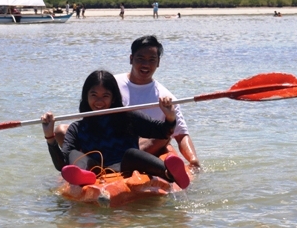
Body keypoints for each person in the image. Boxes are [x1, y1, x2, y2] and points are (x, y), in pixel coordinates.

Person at [41, 70, 190, 188]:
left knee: (133, 154)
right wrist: (50, 137)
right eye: (94, 95)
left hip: (126, 167)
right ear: (86, 97)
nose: (99, 101)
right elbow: (62, 166)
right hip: (95, 171)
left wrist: (170, 117)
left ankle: (169, 173)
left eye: (105, 95)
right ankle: (84, 177)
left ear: (113, 98)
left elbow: (162, 132)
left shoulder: (127, 116)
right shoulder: (77, 128)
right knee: (73, 154)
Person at [114, 36, 200, 167]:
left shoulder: (166, 97)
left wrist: (193, 160)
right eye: (140, 59)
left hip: (145, 148)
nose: (146, 65)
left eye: (152, 60)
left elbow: (181, 134)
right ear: (131, 59)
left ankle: (166, 171)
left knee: (164, 138)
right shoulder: (111, 85)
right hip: (111, 143)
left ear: (158, 62)